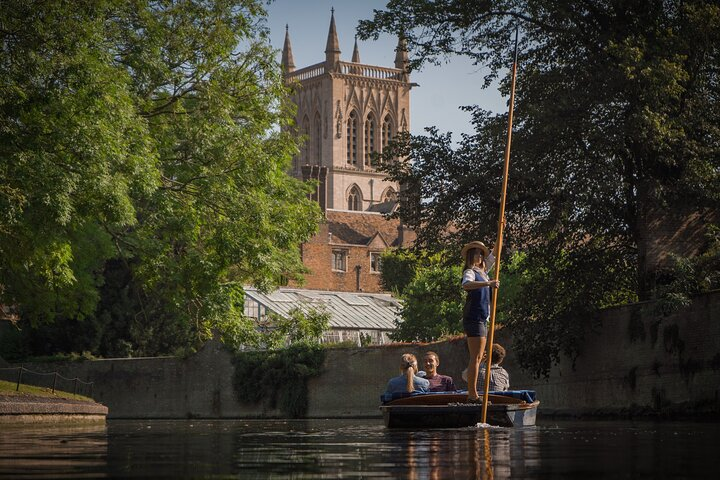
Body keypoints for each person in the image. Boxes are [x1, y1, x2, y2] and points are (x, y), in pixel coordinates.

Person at [461, 240, 499, 403]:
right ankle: (473, 395)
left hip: (482, 317)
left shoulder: (484, 270)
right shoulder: (470, 272)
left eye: (481, 253)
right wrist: (488, 283)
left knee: (478, 356)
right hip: (474, 317)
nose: (479, 256)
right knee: (476, 357)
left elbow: (495, 254)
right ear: (470, 256)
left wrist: (501, 229)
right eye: (476, 253)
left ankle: (473, 394)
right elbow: (466, 285)